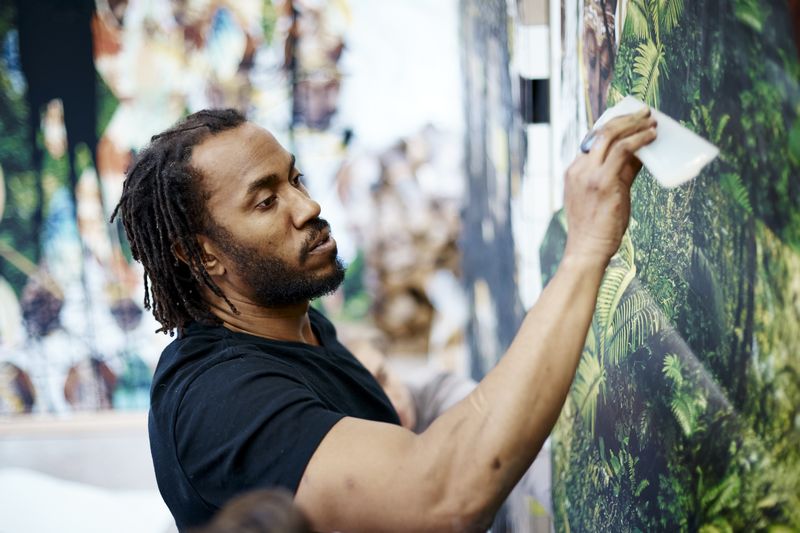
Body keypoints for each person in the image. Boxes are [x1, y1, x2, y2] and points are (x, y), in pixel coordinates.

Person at [111, 107, 657, 531]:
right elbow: (446, 498)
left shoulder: (292, 322)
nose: (308, 207)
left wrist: (378, 383)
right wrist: (586, 248)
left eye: (295, 179)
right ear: (201, 254)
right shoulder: (218, 404)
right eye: (266, 202)